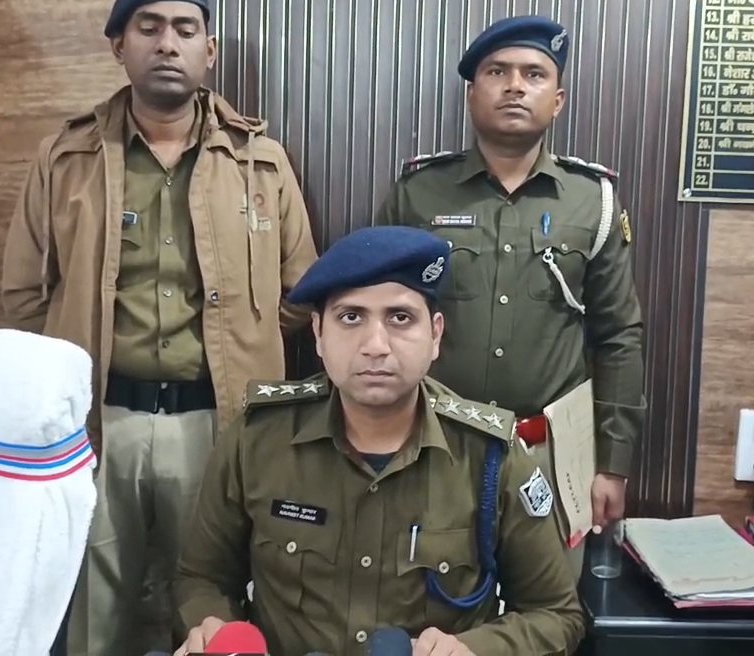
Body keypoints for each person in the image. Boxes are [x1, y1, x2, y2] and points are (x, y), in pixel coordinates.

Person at [0, 0, 319, 656]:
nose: (167, 43)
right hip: (100, 422)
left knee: (210, 603)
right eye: (149, 27)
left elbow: (303, 293)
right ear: (120, 45)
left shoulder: (261, 162)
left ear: (211, 49)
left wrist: (244, 338)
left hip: (219, 423)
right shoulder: (66, 157)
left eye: (185, 28)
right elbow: (24, 296)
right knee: (93, 609)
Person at [172, 226, 586, 656]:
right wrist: (213, 629)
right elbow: (202, 579)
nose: (375, 346)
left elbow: (556, 614)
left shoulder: (489, 456)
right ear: (318, 333)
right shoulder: (257, 440)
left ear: (436, 335)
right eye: (351, 317)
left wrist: (473, 649)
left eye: (400, 318)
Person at [375, 14, 646, 575]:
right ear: (472, 94)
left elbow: (619, 336)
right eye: (497, 72)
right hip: (432, 448)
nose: (515, 86)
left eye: (534, 74)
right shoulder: (419, 193)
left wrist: (613, 463)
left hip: (550, 456)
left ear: (558, 100)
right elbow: (377, 320)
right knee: (429, 604)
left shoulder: (591, 201)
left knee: (550, 609)